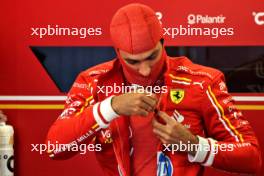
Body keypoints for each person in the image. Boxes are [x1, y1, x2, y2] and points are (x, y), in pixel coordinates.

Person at [46, 3, 262, 176]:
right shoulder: (94, 81)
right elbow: (54, 148)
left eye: (152, 56)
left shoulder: (203, 81)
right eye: (133, 62)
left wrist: (195, 145)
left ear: (162, 42)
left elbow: (252, 158)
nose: (145, 70)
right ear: (118, 53)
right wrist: (110, 107)